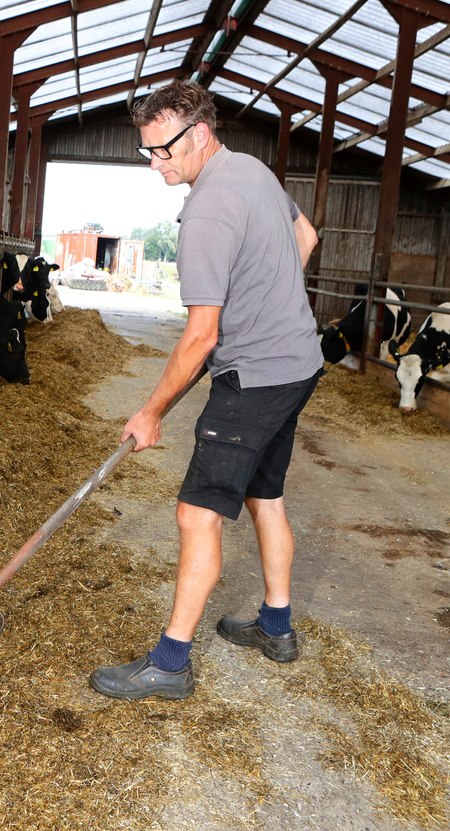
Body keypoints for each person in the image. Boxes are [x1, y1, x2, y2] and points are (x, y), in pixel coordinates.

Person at [89, 80, 323, 701]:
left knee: (197, 513)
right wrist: (270, 300)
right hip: (298, 364)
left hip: (253, 377)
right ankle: (276, 627)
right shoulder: (253, 171)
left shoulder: (206, 212)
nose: (154, 165)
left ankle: (169, 663)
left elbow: (200, 337)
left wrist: (151, 411)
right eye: (146, 152)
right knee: (263, 494)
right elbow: (308, 240)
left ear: (198, 134)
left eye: (162, 151)